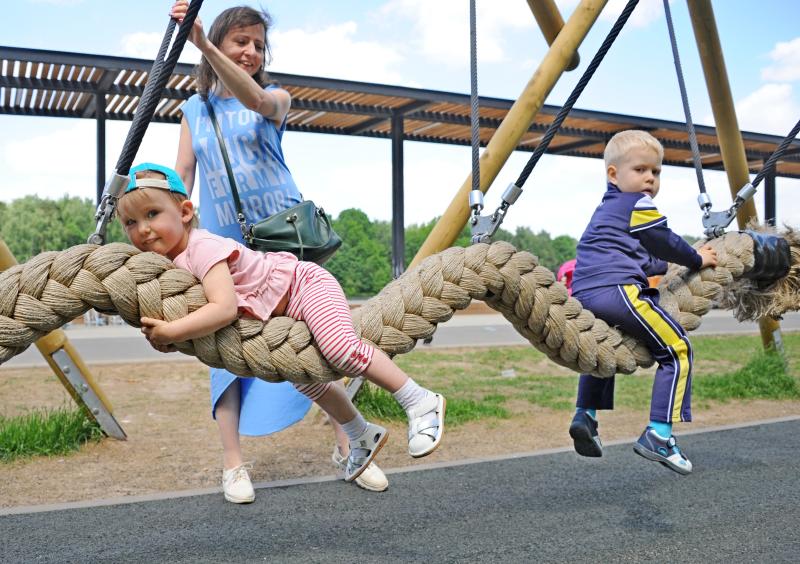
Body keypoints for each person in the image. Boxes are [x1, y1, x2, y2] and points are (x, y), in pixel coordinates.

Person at [116, 163, 447, 496]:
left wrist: (173, 332)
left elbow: (224, 308)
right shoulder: (169, 265)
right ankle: (359, 433)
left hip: (303, 286)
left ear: (185, 212)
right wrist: (171, 335)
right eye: (131, 222)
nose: (143, 229)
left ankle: (419, 400)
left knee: (340, 350)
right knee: (303, 379)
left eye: (152, 214)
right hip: (281, 313)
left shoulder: (201, 249)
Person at [169, 1, 387, 500]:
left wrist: (202, 45)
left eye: (258, 45)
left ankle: (348, 443)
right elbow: (184, 176)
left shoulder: (275, 96)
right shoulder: (194, 110)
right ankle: (233, 465)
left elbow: (257, 104)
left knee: (318, 343)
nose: (250, 51)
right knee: (222, 351)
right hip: (225, 246)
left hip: (284, 243)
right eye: (240, 41)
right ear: (222, 42)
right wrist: (176, 243)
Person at [567, 130, 718, 475]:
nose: (650, 178)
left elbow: (647, 260)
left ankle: (585, 416)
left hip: (585, 293)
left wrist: (671, 265)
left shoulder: (607, 210)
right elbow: (663, 241)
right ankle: (660, 434)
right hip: (618, 290)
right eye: (640, 170)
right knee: (677, 349)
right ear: (613, 174)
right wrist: (695, 258)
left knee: (603, 350)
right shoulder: (637, 204)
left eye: (657, 171)